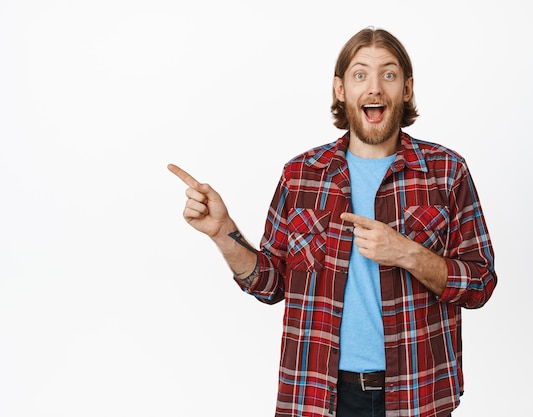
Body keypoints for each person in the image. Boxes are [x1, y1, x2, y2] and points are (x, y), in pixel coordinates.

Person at [168, 27, 497, 417]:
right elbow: (271, 283)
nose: (374, 88)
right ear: (340, 90)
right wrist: (223, 233)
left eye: (388, 75)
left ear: (406, 89)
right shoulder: (302, 175)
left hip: (417, 393)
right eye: (360, 75)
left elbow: (479, 283)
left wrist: (408, 253)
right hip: (317, 394)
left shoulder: (446, 171)